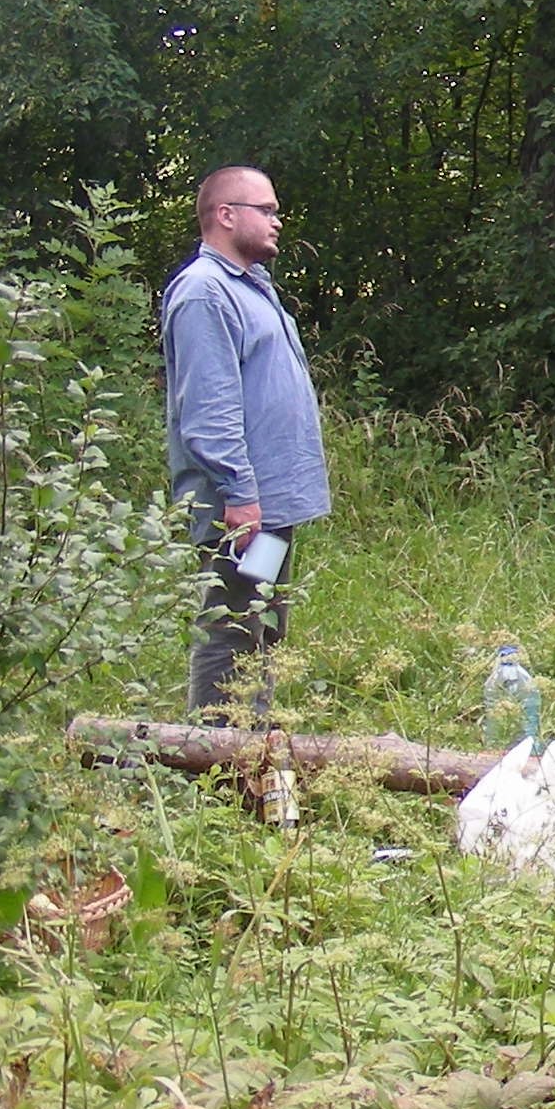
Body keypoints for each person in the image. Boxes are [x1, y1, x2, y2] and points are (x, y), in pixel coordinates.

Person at [162, 167, 330, 720]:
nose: (278, 221)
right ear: (226, 215)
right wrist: (239, 494)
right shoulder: (204, 292)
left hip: (268, 505)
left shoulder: (250, 286)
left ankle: (251, 747)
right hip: (240, 508)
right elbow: (208, 408)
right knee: (233, 626)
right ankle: (211, 752)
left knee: (262, 622)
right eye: (267, 209)